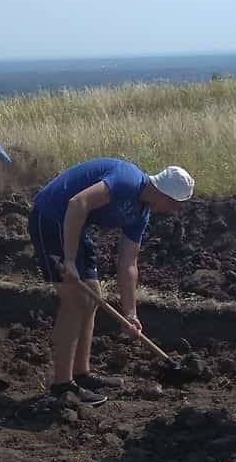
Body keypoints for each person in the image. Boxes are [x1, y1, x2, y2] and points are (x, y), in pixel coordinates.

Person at [29, 159, 195, 406]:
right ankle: (62, 387)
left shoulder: (141, 213)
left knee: (92, 297)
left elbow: (128, 263)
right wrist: (71, 261)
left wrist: (131, 314)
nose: (173, 211)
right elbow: (78, 202)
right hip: (51, 218)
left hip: (76, 226)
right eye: (174, 205)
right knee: (74, 302)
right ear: (164, 194)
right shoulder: (127, 180)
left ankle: (81, 374)